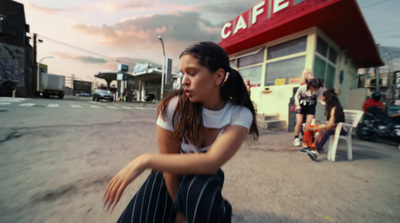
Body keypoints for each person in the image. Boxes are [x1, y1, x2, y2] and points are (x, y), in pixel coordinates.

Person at [103, 41, 259, 223]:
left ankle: (220, 213)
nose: (184, 80)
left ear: (218, 77)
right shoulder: (174, 107)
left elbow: (210, 163)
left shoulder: (239, 114)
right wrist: (180, 210)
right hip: (168, 173)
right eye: (182, 73)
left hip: (203, 179)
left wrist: (144, 160)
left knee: (200, 187)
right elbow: (168, 164)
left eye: (192, 73)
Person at [302, 88, 346, 161]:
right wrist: (310, 128)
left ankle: (315, 151)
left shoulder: (334, 108)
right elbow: (323, 103)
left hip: (339, 129)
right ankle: (308, 147)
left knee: (324, 130)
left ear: (327, 98)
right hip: (332, 127)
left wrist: (312, 129)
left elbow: (329, 125)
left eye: (322, 96)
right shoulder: (329, 106)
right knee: (308, 127)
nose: (321, 97)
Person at [293, 78, 325, 151]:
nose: (314, 90)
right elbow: (296, 95)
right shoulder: (303, 87)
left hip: (311, 107)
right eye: (313, 88)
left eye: (316, 88)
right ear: (310, 85)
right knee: (299, 122)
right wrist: (297, 105)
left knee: (308, 124)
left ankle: (306, 140)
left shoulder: (320, 89)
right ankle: (296, 138)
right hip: (301, 105)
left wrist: (325, 104)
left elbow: (319, 99)